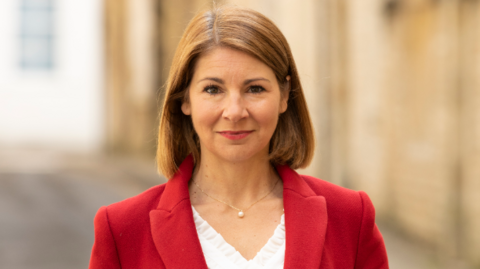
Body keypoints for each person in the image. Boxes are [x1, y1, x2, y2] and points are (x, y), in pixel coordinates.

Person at [89, 5, 388, 269]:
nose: (234, 111)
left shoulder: (350, 218)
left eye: (255, 88)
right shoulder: (122, 229)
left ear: (284, 95)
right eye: (213, 89)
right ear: (185, 99)